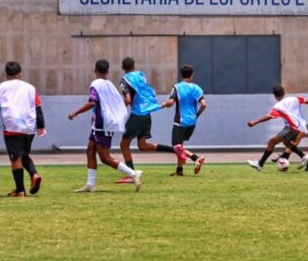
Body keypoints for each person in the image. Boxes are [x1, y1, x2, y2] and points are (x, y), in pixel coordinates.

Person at [68, 59, 143, 192]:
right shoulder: (110, 84)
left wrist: (76, 112)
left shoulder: (95, 84)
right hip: (99, 124)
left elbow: (93, 102)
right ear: (107, 71)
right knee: (90, 151)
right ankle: (90, 184)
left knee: (105, 157)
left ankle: (133, 173)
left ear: (95, 70)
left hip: (103, 124)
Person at [117, 56, 185, 183]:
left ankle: (131, 174)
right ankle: (174, 149)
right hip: (147, 113)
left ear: (122, 68)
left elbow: (128, 100)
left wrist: (118, 110)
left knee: (124, 144)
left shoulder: (124, 80)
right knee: (142, 145)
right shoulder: (141, 75)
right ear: (134, 66)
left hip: (137, 114)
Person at [0, 61, 46, 197]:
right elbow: (38, 108)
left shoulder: (2, 87)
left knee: (15, 158)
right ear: (20, 75)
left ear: (5, 75)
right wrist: (41, 126)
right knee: (24, 155)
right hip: (29, 127)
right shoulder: (30, 88)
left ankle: (20, 190)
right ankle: (34, 175)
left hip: (12, 126)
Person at [246, 85, 308, 171]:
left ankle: (260, 164)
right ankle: (303, 156)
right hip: (301, 127)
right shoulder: (292, 99)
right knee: (286, 143)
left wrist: (255, 122)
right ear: (284, 93)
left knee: (271, 142)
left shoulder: (278, 106)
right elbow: (306, 100)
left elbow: (269, 116)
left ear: (274, 96)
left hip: (291, 128)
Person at [160, 64, 207, 176]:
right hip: (192, 122)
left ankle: (196, 158)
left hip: (180, 122)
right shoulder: (196, 88)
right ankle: (179, 171)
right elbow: (204, 104)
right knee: (180, 146)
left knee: (176, 147)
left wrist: (164, 104)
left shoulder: (177, 87)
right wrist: (197, 115)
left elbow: (171, 103)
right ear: (192, 74)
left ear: (181, 74)